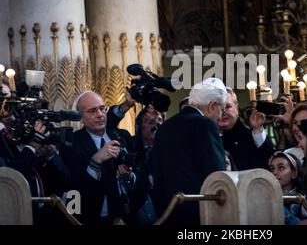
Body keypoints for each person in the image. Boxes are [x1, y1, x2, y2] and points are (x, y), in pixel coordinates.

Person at [151, 77, 227, 224]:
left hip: (168, 212)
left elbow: (157, 173)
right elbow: (216, 175)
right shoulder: (205, 125)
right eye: (222, 109)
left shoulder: (165, 127)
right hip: (198, 214)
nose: (220, 115)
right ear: (212, 105)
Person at [62, 91, 138, 225]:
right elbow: (73, 189)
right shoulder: (71, 144)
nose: (100, 114)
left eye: (102, 108)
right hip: (92, 219)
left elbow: (142, 174)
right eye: (92, 111)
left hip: (128, 217)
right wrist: (95, 162)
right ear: (80, 117)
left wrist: (130, 177)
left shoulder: (122, 136)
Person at [218, 88, 274, 170]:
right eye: (219, 108)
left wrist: (258, 130)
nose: (223, 112)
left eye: (228, 107)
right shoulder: (206, 138)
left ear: (237, 108)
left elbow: (269, 159)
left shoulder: (249, 136)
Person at [268, 150, 302, 225]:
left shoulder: (304, 198)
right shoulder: (268, 199)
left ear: (294, 173)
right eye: (272, 168)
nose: (274, 172)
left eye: (281, 168)